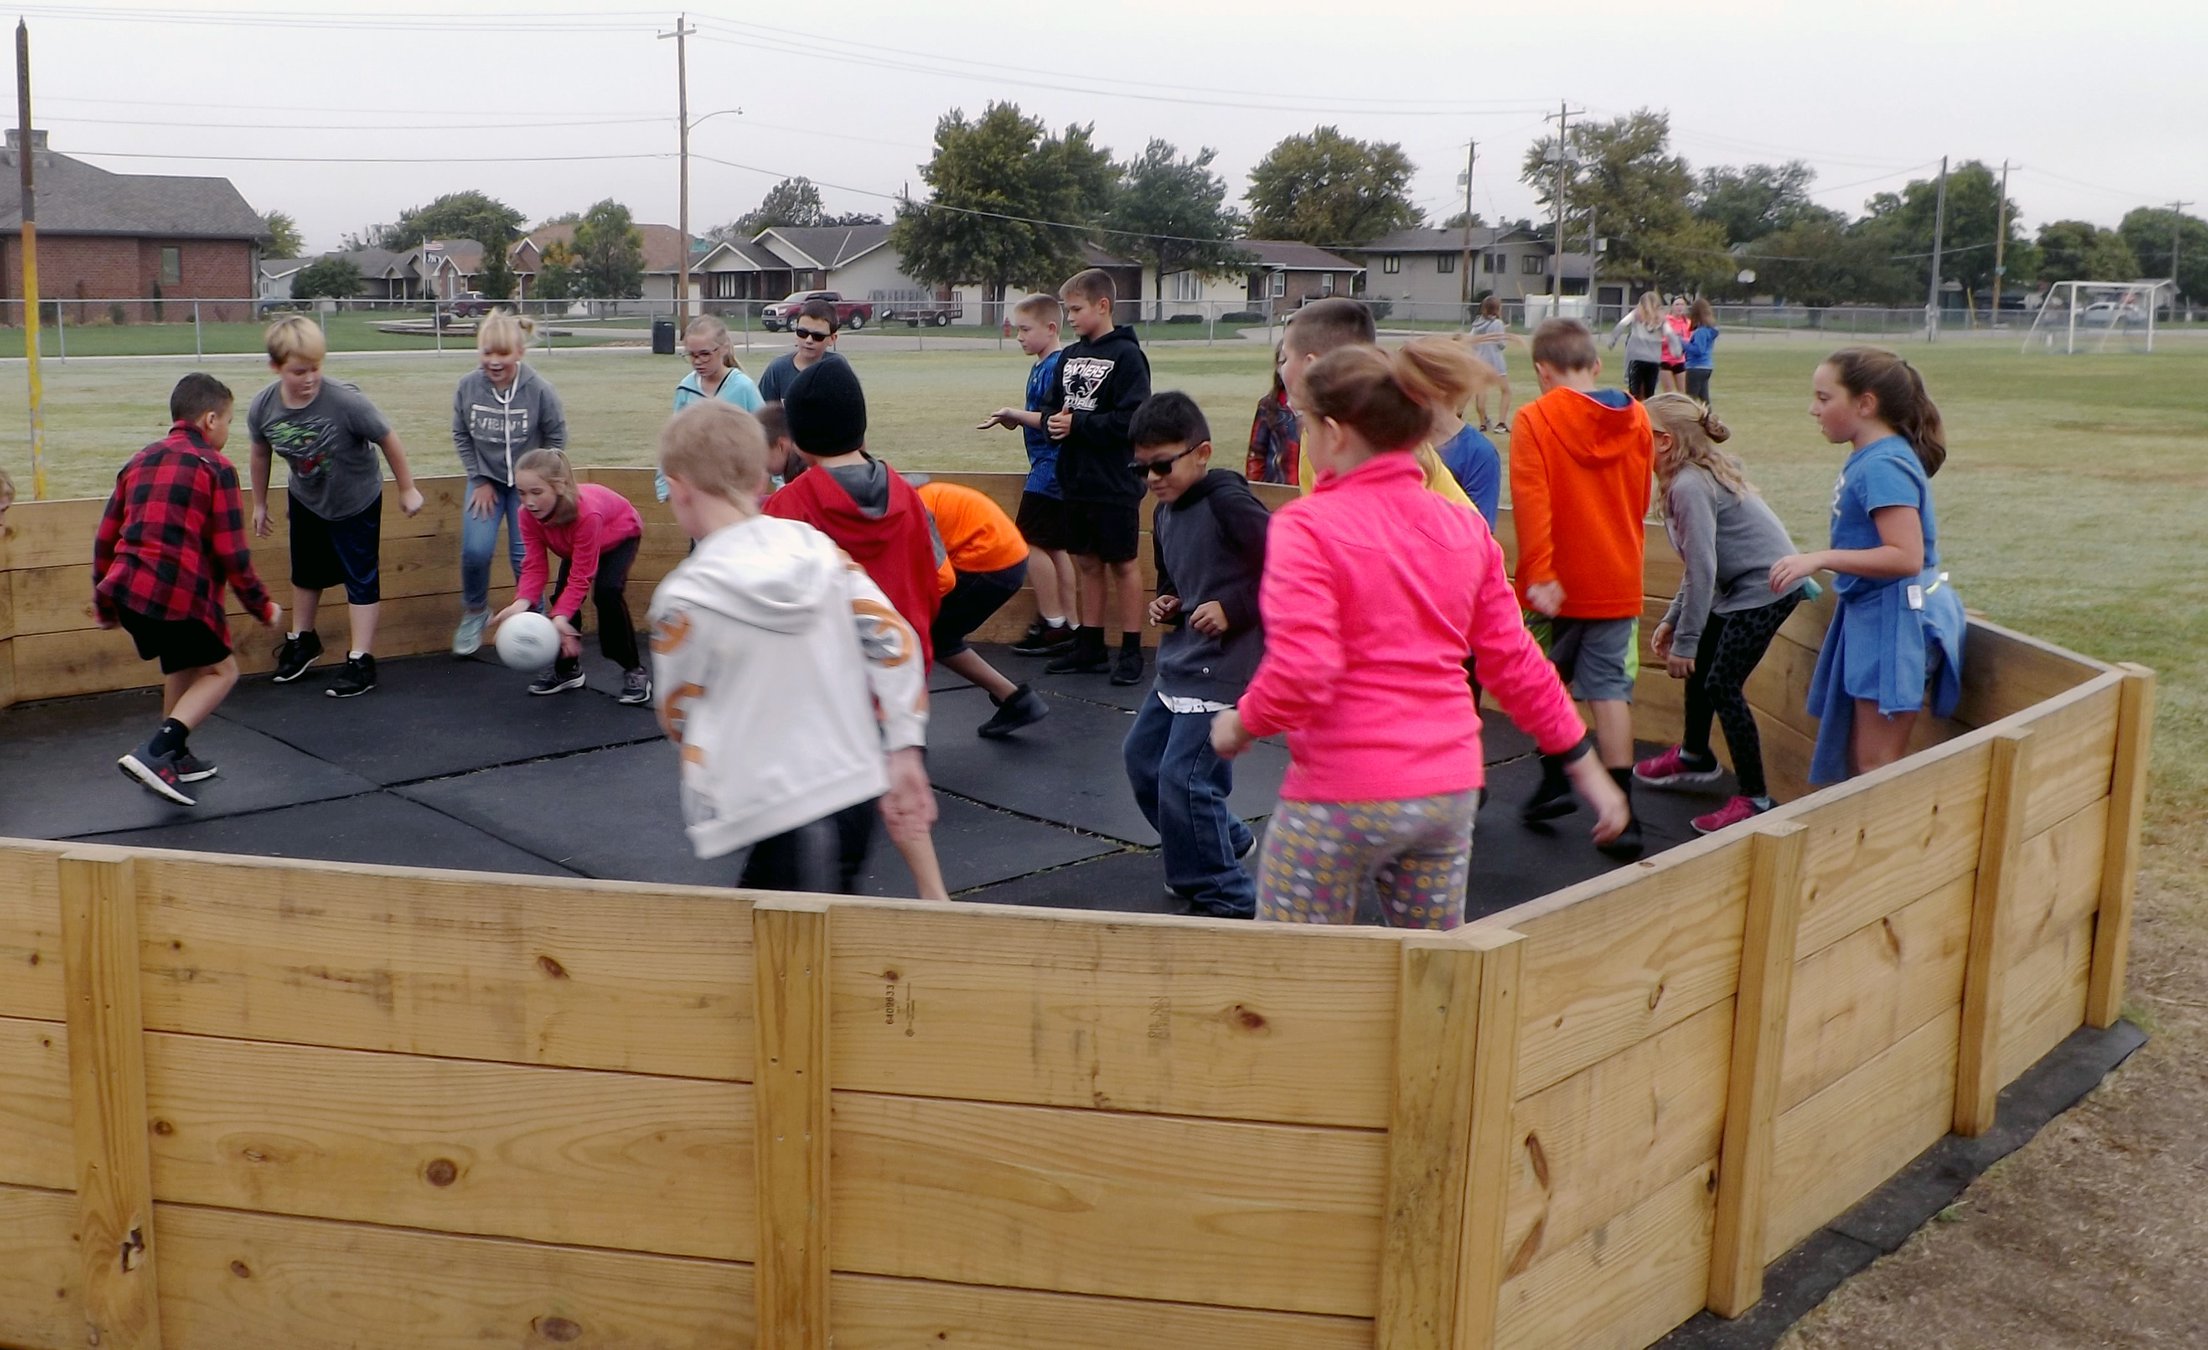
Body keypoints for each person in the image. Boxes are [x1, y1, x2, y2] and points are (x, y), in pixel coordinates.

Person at [1211, 345, 1627, 929]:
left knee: (1292, 976)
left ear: (1333, 432)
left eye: (1306, 423)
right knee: (1432, 978)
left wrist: (1242, 722)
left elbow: (1303, 669)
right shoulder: (1464, 528)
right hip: (1445, 796)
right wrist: (1587, 768)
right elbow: (1517, 663)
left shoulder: (1306, 527)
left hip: (1341, 798)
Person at [648, 400, 941, 897]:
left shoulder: (684, 599)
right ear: (762, 480)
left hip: (776, 804)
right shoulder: (817, 549)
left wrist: (710, 767)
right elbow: (894, 640)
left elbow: (678, 710)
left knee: (787, 957)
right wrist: (904, 746)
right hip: (853, 785)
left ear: (678, 491)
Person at [1770, 348, 1965, 783]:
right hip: (1877, 619)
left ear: (1865, 403)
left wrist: (1820, 558)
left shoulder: (1883, 465)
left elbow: (1906, 556)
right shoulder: (1871, 457)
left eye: (1824, 398)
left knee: (1877, 768)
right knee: (1867, 763)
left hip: (1895, 623)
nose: (1813, 409)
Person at [94, 374, 282, 805]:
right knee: (222, 671)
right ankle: (158, 751)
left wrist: (104, 602)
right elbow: (232, 553)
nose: (228, 430)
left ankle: (174, 756)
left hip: (128, 591)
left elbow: (106, 536)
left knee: (184, 664)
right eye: (229, 421)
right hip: (174, 592)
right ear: (210, 419)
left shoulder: (139, 460)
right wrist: (261, 606)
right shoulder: (217, 469)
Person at [1633, 394, 1814, 832]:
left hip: (1765, 590)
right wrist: (1675, 620)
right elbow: (1703, 564)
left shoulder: (1689, 485)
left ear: (1662, 442)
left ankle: (1755, 798)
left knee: (1721, 682)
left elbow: (1704, 568)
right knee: (1704, 672)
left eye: (1633, 433)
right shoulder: (1682, 479)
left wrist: (1687, 641)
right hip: (1735, 586)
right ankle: (1696, 753)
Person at [1509, 318, 1655, 857]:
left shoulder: (1535, 418)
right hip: (1618, 575)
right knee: (1610, 692)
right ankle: (1624, 810)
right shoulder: (1637, 417)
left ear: (1542, 372)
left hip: (1559, 583)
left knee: (1547, 681)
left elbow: (1532, 501)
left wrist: (1543, 572)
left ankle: (1554, 778)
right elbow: (1640, 499)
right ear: (1595, 365)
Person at [1126, 392, 1270, 920]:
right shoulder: (1164, 511)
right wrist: (1168, 600)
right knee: (1142, 761)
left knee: (1187, 779)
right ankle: (1222, 844)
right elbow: (1178, 577)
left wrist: (1233, 606)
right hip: (1184, 661)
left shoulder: (1228, 503)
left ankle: (1227, 893)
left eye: (1162, 464)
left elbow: (1287, 570)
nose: (1152, 478)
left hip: (1227, 667)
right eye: (1141, 468)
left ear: (1202, 452)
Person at [248, 316, 424, 699]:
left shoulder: (345, 401)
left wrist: (406, 489)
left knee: (359, 575)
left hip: (355, 499)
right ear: (276, 368)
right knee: (306, 572)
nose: (309, 378)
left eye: (315, 368)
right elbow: (260, 452)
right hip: (307, 497)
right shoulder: (263, 406)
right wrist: (259, 502)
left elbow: (387, 438)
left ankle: (361, 659)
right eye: (298, 371)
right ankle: (304, 639)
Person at [762, 356, 944, 670]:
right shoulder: (907, 496)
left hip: (826, 682)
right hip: (900, 671)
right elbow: (932, 582)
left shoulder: (788, 506)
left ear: (799, 442)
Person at [1040, 267, 1152, 685]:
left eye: (1076, 309)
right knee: (1086, 561)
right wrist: (1054, 422)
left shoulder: (1127, 356)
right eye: (1067, 310)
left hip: (1114, 479)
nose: (1070, 317)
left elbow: (1132, 419)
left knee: (1121, 562)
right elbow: (1054, 406)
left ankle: (1130, 649)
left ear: (1102, 306)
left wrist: (1080, 426)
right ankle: (1089, 644)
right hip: (1076, 476)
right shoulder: (1068, 356)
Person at [487, 449, 651, 704]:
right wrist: (521, 602)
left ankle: (634, 669)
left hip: (618, 535)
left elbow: (582, 576)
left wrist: (561, 616)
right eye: (521, 493)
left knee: (608, 592)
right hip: (575, 546)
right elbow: (535, 566)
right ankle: (568, 671)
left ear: (560, 487)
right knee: (561, 598)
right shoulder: (526, 515)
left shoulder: (587, 515)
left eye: (536, 492)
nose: (528, 501)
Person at [1284, 299, 1479, 512]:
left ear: (1311, 366)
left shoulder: (1377, 436)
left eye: (1285, 358)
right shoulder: (1315, 431)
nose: (1281, 369)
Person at [451, 310, 566, 657]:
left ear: (519, 353)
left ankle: (536, 619)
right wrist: (479, 477)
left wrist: (539, 484)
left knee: (524, 557)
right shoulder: (468, 387)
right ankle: (475, 610)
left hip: (526, 488)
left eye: (502, 354)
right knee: (476, 550)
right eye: (487, 353)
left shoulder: (539, 389)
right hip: (487, 482)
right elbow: (461, 434)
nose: (494, 361)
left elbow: (556, 437)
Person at [976, 292, 1078, 656]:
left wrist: (1016, 415)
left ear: (1051, 328)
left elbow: (1054, 421)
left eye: (1024, 329)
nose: (1017, 336)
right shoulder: (1040, 365)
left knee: (1028, 542)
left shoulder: (1058, 365)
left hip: (1052, 467)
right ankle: (1071, 622)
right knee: (1054, 546)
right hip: (1046, 465)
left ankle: (1055, 623)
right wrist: (1014, 420)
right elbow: (1039, 419)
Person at [911, 477, 1052, 738]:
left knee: (922, 636)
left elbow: (942, 579)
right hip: (1002, 553)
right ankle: (1014, 699)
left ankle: (905, 727)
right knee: (937, 637)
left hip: (988, 561)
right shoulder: (902, 494)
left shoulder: (908, 509)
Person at [657, 314, 764, 503]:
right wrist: (664, 485)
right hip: (697, 490)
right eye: (692, 355)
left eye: (705, 354)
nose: (698, 361)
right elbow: (674, 442)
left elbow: (766, 437)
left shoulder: (742, 387)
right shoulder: (685, 388)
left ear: (723, 349)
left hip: (735, 489)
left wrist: (778, 483)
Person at [1410, 335, 1504, 526]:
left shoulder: (1478, 453)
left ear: (1441, 388)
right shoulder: (1394, 440)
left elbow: (1480, 533)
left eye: (1410, 382)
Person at [756, 297, 846, 403]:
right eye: (802, 333)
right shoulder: (777, 370)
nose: (809, 340)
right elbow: (762, 414)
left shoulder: (838, 369)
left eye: (817, 336)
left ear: (832, 339)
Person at [1609, 291, 1675, 402]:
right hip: (1653, 359)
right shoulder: (1662, 319)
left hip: (1636, 358)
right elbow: (1670, 334)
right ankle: (1647, 416)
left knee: (1634, 393)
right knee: (1649, 394)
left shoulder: (1635, 314)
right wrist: (1676, 349)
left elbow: (1622, 324)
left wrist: (1612, 340)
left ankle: (1636, 415)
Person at [1245, 356, 1300, 484]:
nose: (1287, 367)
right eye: (1283, 361)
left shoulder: (1319, 406)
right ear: (1277, 368)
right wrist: (1257, 490)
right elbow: (1256, 453)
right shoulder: (1269, 406)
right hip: (1277, 487)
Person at [1468, 295, 1514, 433]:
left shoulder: (1477, 323)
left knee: (1481, 392)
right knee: (1506, 391)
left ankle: (1483, 423)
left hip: (1479, 362)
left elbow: (1472, 342)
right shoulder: (1498, 324)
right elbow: (1501, 345)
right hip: (1495, 362)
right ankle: (1501, 423)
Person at [1683, 298, 1720, 406]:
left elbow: (1698, 350)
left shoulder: (1701, 331)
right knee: (1704, 399)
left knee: (1690, 400)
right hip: (1706, 367)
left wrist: (1683, 343)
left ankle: (1690, 420)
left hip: (1696, 367)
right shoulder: (1709, 330)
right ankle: (1709, 420)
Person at [1661, 297, 1693, 394]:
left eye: (1682, 304)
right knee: (1669, 393)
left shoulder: (1688, 322)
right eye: (1677, 304)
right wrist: (1671, 340)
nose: (1680, 307)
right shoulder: (1665, 321)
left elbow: (1691, 340)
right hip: (1665, 360)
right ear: (1672, 307)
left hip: (1680, 360)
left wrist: (1682, 341)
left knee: (1682, 393)